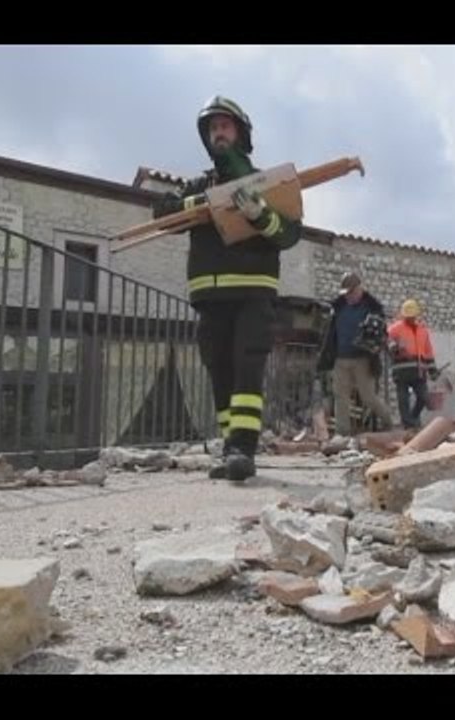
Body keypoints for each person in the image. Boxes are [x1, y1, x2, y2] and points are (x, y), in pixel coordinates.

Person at [152, 96, 302, 481]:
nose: (218, 132)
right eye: (213, 128)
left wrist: (259, 214)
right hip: (210, 298)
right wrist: (201, 202)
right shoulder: (200, 186)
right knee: (219, 370)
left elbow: (287, 235)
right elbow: (163, 214)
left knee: (246, 370)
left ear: (241, 133)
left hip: (253, 294)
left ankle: (243, 449)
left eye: (225, 126)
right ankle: (229, 446)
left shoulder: (266, 184)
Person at [317, 272, 394, 435]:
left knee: (368, 397)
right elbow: (330, 333)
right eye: (346, 294)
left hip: (363, 359)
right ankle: (342, 434)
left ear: (359, 289)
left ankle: (388, 421)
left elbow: (381, 334)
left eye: (351, 293)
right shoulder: (337, 308)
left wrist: (373, 340)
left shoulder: (372, 308)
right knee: (340, 397)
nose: (348, 297)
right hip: (340, 358)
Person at [387, 298, 438, 428]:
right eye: (407, 316)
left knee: (424, 397)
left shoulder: (423, 331)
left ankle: (413, 418)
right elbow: (386, 339)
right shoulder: (395, 329)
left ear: (416, 315)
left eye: (412, 316)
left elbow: (428, 351)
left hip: (419, 370)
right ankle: (408, 424)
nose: (410, 318)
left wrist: (432, 369)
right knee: (403, 399)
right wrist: (393, 347)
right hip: (401, 370)